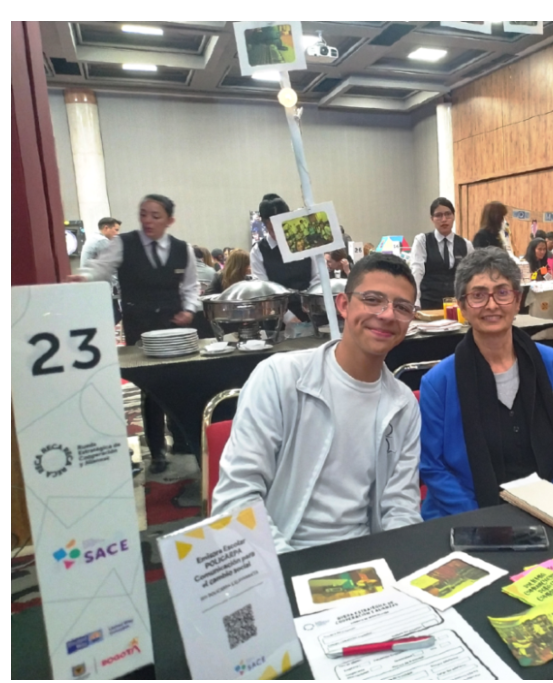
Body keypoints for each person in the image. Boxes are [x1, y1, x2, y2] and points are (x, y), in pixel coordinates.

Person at [212, 254, 423, 552]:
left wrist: (403, 563)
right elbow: (236, 498)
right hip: (282, 553)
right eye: (373, 299)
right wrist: (289, 570)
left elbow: (400, 507)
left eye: (401, 307)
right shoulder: (280, 377)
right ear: (344, 305)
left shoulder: (403, 406)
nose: (387, 315)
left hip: (368, 561)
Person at [418, 249, 553, 520]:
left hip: (549, 508)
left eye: (503, 292)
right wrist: (483, 520)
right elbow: (433, 467)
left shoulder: (549, 362)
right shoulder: (438, 382)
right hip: (466, 514)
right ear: (462, 305)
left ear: (517, 300)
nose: (491, 305)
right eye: (478, 295)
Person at [72, 195, 200, 474]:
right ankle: (157, 452)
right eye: (144, 214)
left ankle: (181, 441)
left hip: (174, 325)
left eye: (155, 216)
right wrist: (82, 278)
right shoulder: (123, 244)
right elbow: (100, 269)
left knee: (179, 382)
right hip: (139, 326)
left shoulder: (183, 249)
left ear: (170, 220)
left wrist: (189, 310)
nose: (148, 221)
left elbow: (190, 287)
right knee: (151, 388)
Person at [249, 194, 318, 318]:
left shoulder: (306, 241)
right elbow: (264, 290)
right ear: (264, 224)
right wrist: (287, 317)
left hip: (311, 310)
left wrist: (310, 301)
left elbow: (317, 277)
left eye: (282, 227)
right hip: (277, 316)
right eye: (272, 229)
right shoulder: (258, 251)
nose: (279, 233)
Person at [410, 197, 474, 309]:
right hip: (428, 303)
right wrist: (415, 301)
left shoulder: (465, 244)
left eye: (448, 214)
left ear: (454, 216)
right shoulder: (422, 241)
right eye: (438, 215)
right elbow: (417, 271)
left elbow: (473, 275)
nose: (444, 219)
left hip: (456, 305)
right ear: (432, 219)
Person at [80, 217, 123, 323]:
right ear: (106, 228)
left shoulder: (93, 238)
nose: (117, 234)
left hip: (91, 286)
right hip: (98, 286)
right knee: (113, 317)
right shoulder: (102, 241)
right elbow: (111, 267)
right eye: (116, 230)